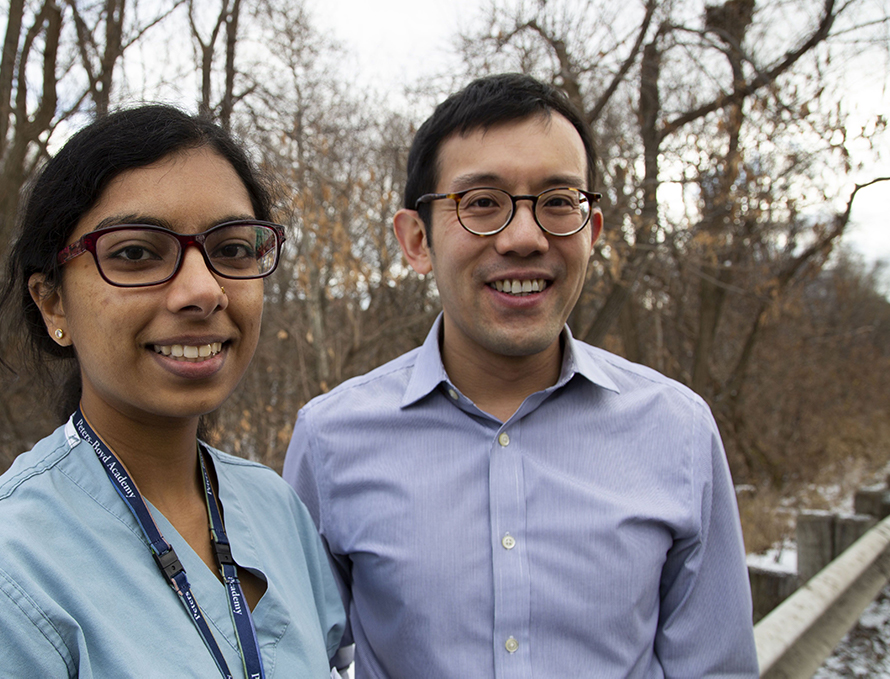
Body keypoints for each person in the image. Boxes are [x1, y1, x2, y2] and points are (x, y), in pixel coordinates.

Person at [283, 74, 758, 678]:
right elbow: (298, 659)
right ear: (416, 240)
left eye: (559, 202)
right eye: (482, 203)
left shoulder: (679, 432)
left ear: (592, 232)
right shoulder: (331, 441)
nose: (525, 238)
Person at [0, 105, 346, 677]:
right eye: (136, 253)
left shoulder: (275, 510)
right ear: (52, 303)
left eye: (231, 249)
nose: (203, 290)